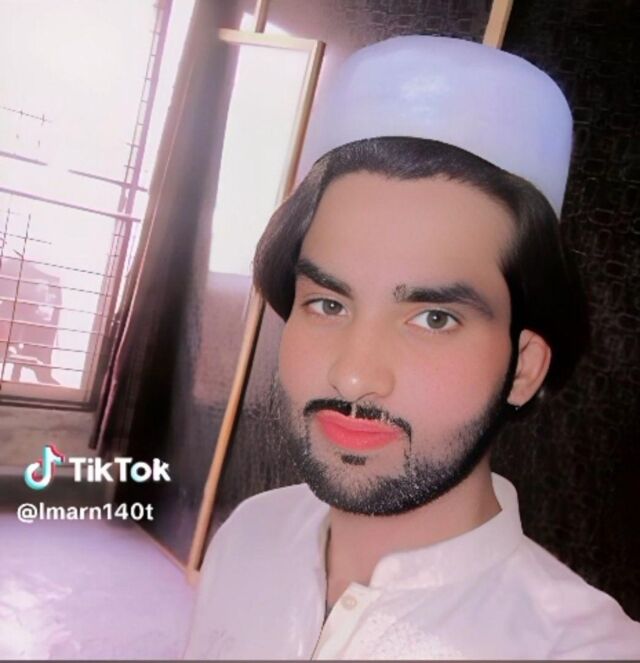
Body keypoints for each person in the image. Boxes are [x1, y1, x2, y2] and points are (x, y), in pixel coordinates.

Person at [184, 36, 640, 659]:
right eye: (329, 304)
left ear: (523, 368)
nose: (353, 376)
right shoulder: (248, 536)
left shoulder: (584, 650)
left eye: (433, 318)